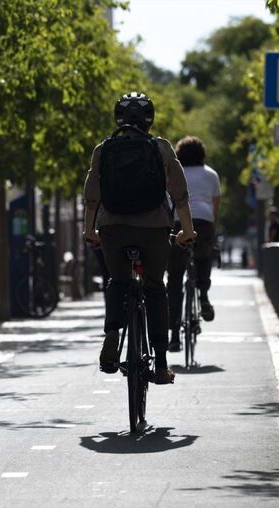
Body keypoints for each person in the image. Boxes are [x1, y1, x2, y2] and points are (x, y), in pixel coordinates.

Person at [83, 92, 197, 385]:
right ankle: (160, 364)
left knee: (119, 282)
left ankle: (111, 334)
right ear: (150, 120)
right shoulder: (160, 148)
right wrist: (186, 231)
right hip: (154, 229)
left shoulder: (103, 149)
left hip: (112, 229)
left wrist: (89, 229)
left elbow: (91, 196)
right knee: (155, 287)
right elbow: (180, 194)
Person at [167, 136, 220, 352]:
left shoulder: (173, 172)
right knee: (203, 257)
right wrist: (211, 233)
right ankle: (204, 296)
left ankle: (174, 336)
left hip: (178, 221)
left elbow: (167, 201)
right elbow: (215, 207)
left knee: (175, 276)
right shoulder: (211, 174)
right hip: (204, 220)